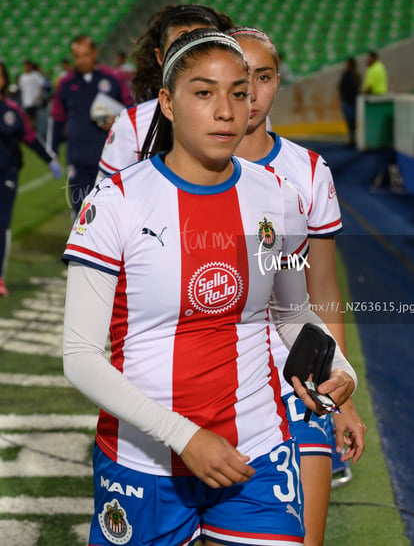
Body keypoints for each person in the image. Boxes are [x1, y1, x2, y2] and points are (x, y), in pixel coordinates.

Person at [63, 29, 357, 546]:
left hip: (258, 453)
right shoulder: (115, 202)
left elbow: (291, 314)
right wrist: (184, 437)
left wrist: (338, 367)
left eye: (239, 93)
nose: (226, 110)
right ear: (168, 103)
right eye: (204, 93)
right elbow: (80, 356)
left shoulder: (278, 197)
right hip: (144, 464)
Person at [227, 27, 366, 546]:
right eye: (239, 79)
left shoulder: (308, 172)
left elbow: (323, 289)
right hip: (220, 387)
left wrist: (342, 393)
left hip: (298, 386)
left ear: (277, 83)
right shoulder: (187, 172)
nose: (251, 92)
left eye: (263, 78)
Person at [97, 3, 234, 180]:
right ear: (160, 57)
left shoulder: (245, 115)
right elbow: (106, 195)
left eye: (205, 44)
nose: (195, 57)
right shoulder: (133, 124)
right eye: (180, 46)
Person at [49, 35, 134, 215]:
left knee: (110, 211)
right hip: (77, 159)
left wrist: (117, 121)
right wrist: (53, 152)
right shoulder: (65, 84)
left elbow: (131, 111)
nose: (81, 60)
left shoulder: (112, 78)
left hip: (109, 158)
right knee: (80, 211)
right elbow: (57, 118)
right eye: (77, 56)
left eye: (86, 55)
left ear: (94, 53)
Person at [0, 61, 61, 297]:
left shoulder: (12, 111)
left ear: (5, 80)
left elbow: (29, 137)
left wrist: (49, 159)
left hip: (7, 173)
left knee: (2, 224)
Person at [338, 57, 360, 146]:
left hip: (350, 101)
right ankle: (352, 138)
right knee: (350, 121)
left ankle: (353, 139)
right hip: (349, 101)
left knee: (352, 121)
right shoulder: (350, 75)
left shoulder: (354, 75)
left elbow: (342, 87)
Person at [17, 59, 45, 128]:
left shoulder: (36, 75)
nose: (26, 67)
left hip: (35, 102)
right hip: (26, 102)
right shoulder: (22, 77)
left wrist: (38, 96)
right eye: (25, 65)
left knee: (36, 121)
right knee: (27, 121)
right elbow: (21, 89)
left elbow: (42, 86)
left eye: (28, 65)